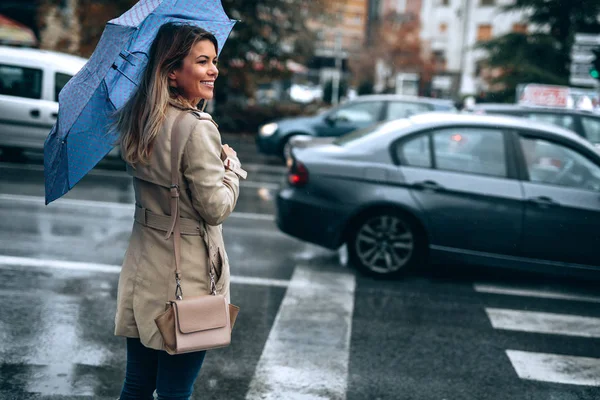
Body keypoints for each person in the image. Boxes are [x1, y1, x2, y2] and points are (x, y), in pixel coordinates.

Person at [112, 22, 245, 400]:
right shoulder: (197, 128)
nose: (214, 70)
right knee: (175, 390)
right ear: (173, 72)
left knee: (137, 384)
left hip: (143, 272)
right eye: (202, 62)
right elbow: (215, 208)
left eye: (214, 61)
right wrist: (231, 170)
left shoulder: (140, 120)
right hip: (186, 279)